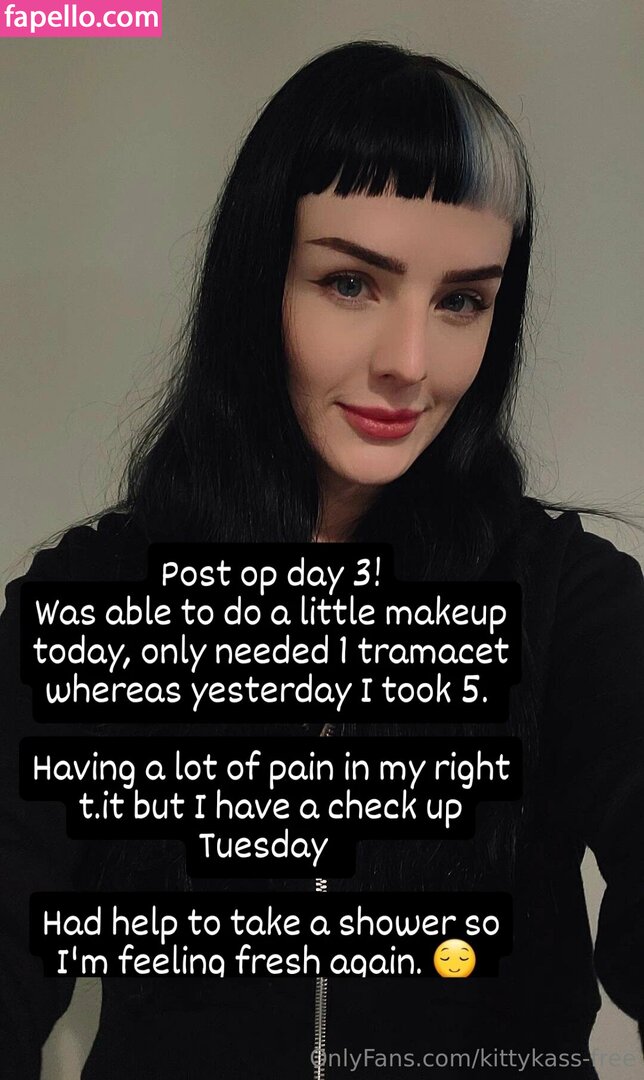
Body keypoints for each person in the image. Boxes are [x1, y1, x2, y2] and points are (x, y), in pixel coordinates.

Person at [1, 39, 643, 1080]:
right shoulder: (93, 599)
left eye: (462, 301)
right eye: (351, 282)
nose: (409, 363)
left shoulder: (569, 602)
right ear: (259, 282)